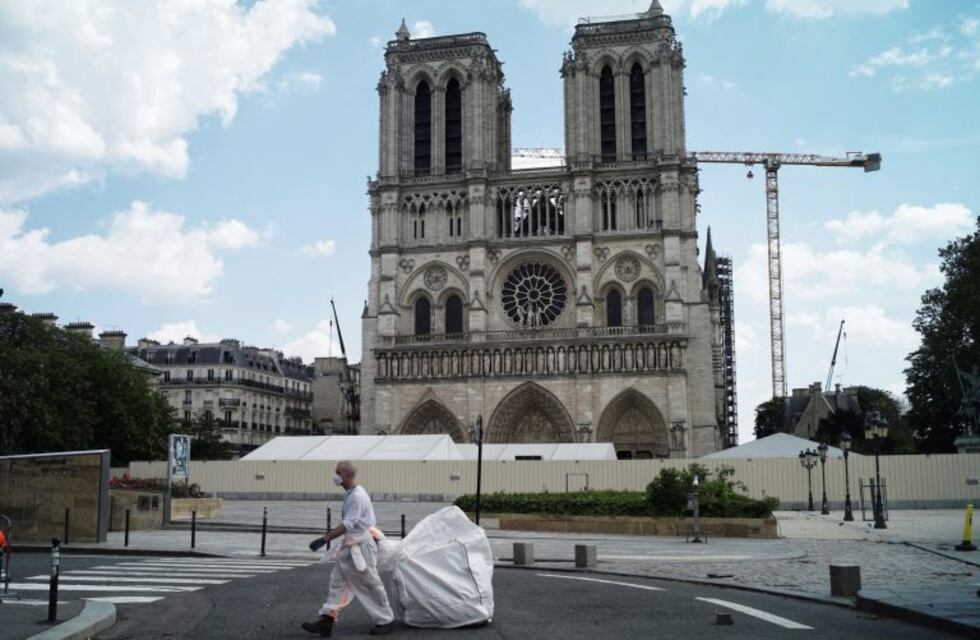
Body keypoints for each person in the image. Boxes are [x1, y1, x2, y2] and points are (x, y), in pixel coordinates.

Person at [302, 461, 395, 637]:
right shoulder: (350, 494)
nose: (335, 475)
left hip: (361, 547)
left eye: (338, 472)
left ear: (347, 475)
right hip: (350, 545)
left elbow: (348, 524)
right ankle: (326, 621)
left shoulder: (357, 496)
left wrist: (325, 539)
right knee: (337, 581)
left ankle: (385, 620)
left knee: (370, 583)